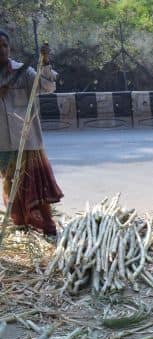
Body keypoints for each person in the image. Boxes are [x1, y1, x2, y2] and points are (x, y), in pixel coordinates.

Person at [0, 31, 62, 237]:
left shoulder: (23, 72)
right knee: (11, 185)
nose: (2, 50)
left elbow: (48, 86)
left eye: (4, 45)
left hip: (28, 141)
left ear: (10, 48)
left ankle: (45, 224)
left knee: (36, 184)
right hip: (3, 144)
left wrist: (45, 63)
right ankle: (21, 223)